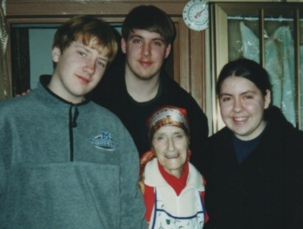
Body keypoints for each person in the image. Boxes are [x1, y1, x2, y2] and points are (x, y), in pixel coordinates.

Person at [0, 16, 147, 229]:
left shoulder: (114, 129)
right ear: (56, 52)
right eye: (82, 53)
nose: (90, 68)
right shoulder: (8, 121)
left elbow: (131, 213)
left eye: (101, 62)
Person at [92, 5, 209, 175]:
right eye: (138, 41)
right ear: (124, 45)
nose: (146, 52)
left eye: (156, 43)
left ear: (167, 50)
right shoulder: (93, 98)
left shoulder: (188, 112)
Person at [205, 58, 303, 229]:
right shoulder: (206, 153)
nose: (237, 108)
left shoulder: (296, 149)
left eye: (247, 97)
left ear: (266, 98)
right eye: (227, 98)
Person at [139, 105, 209, 229]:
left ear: (188, 141)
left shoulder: (201, 185)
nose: (171, 147)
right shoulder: (139, 186)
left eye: (178, 136)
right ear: (152, 145)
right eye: (161, 138)